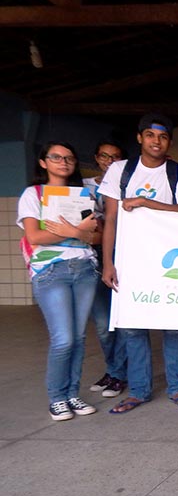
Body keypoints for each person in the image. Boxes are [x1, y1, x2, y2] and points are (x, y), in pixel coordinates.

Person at [98, 113, 178, 414]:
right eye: (151, 135)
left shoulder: (177, 172)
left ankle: (176, 387)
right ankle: (139, 391)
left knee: (173, 327)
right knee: (133, 328)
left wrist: (144, 202)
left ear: (169, 142)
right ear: (140, 137)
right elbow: (111, 218)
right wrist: (108, 262)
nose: (157, 141)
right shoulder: (120, 170)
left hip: (168, 260)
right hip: (129, 259)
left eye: (163, 136)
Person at [19, 142, 100, 421]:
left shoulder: (83, 195)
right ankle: (57, 397)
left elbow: (95, 236)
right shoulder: (33, 194)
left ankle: (72, 394)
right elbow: (35, 236)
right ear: (43, 162)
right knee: (63, 339)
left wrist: (77, 233)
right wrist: (76, 231)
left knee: (78, 337)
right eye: (56, 157)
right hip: (51, 270)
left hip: (85, 269)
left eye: (69, 158)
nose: (63, 162)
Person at [84, 139, 128, 398]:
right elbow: (85, 226)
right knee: (102, 323)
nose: (109, 161)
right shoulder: (83, 188)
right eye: (104, 156)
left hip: (123, 251)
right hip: (94, 256)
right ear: (96, 158)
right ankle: (113, 370)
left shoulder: (129, 184)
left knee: (121, 319)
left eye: (115, 156)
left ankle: (119, 373)